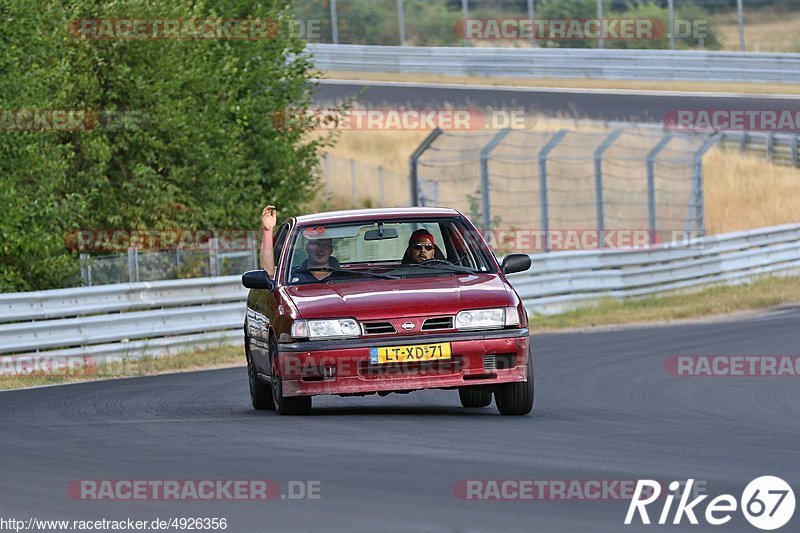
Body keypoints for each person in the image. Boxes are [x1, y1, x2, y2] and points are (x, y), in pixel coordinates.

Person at [260, 205, 339, 282]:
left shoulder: (344, 278)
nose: (321, 249)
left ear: (331, 250)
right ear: (307, 247)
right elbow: (268, 276)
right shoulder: (290, 278)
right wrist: (268, 231)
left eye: (325, 245)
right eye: (316, 244)